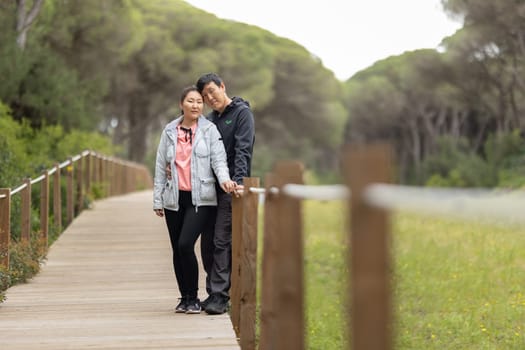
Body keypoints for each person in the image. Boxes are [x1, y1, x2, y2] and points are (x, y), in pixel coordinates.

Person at [153, 85, 236, 314]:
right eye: (191, 101)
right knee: (176, 250)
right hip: (174, 198)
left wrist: (225, 180)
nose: (196, 105)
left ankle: (195, 296)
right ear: (182, 104)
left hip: (201, 198)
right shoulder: (169, 131)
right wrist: (157, 199)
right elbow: (162, 166)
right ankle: (186, 298)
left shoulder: (209, 130)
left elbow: (219, 160)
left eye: (200, 101)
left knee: (185, 244)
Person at [196, 73, 255, 315]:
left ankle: (220, 296)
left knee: (222, 240)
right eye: (204, 96)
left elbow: (243, 149)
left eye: (212, 91)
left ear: (223, 86)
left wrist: (239, 183)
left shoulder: (242, 114)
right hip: (209, 190)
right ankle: (213, 292)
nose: (210, 98)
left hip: (231, 190)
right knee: (208, 243)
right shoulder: (209, 120)